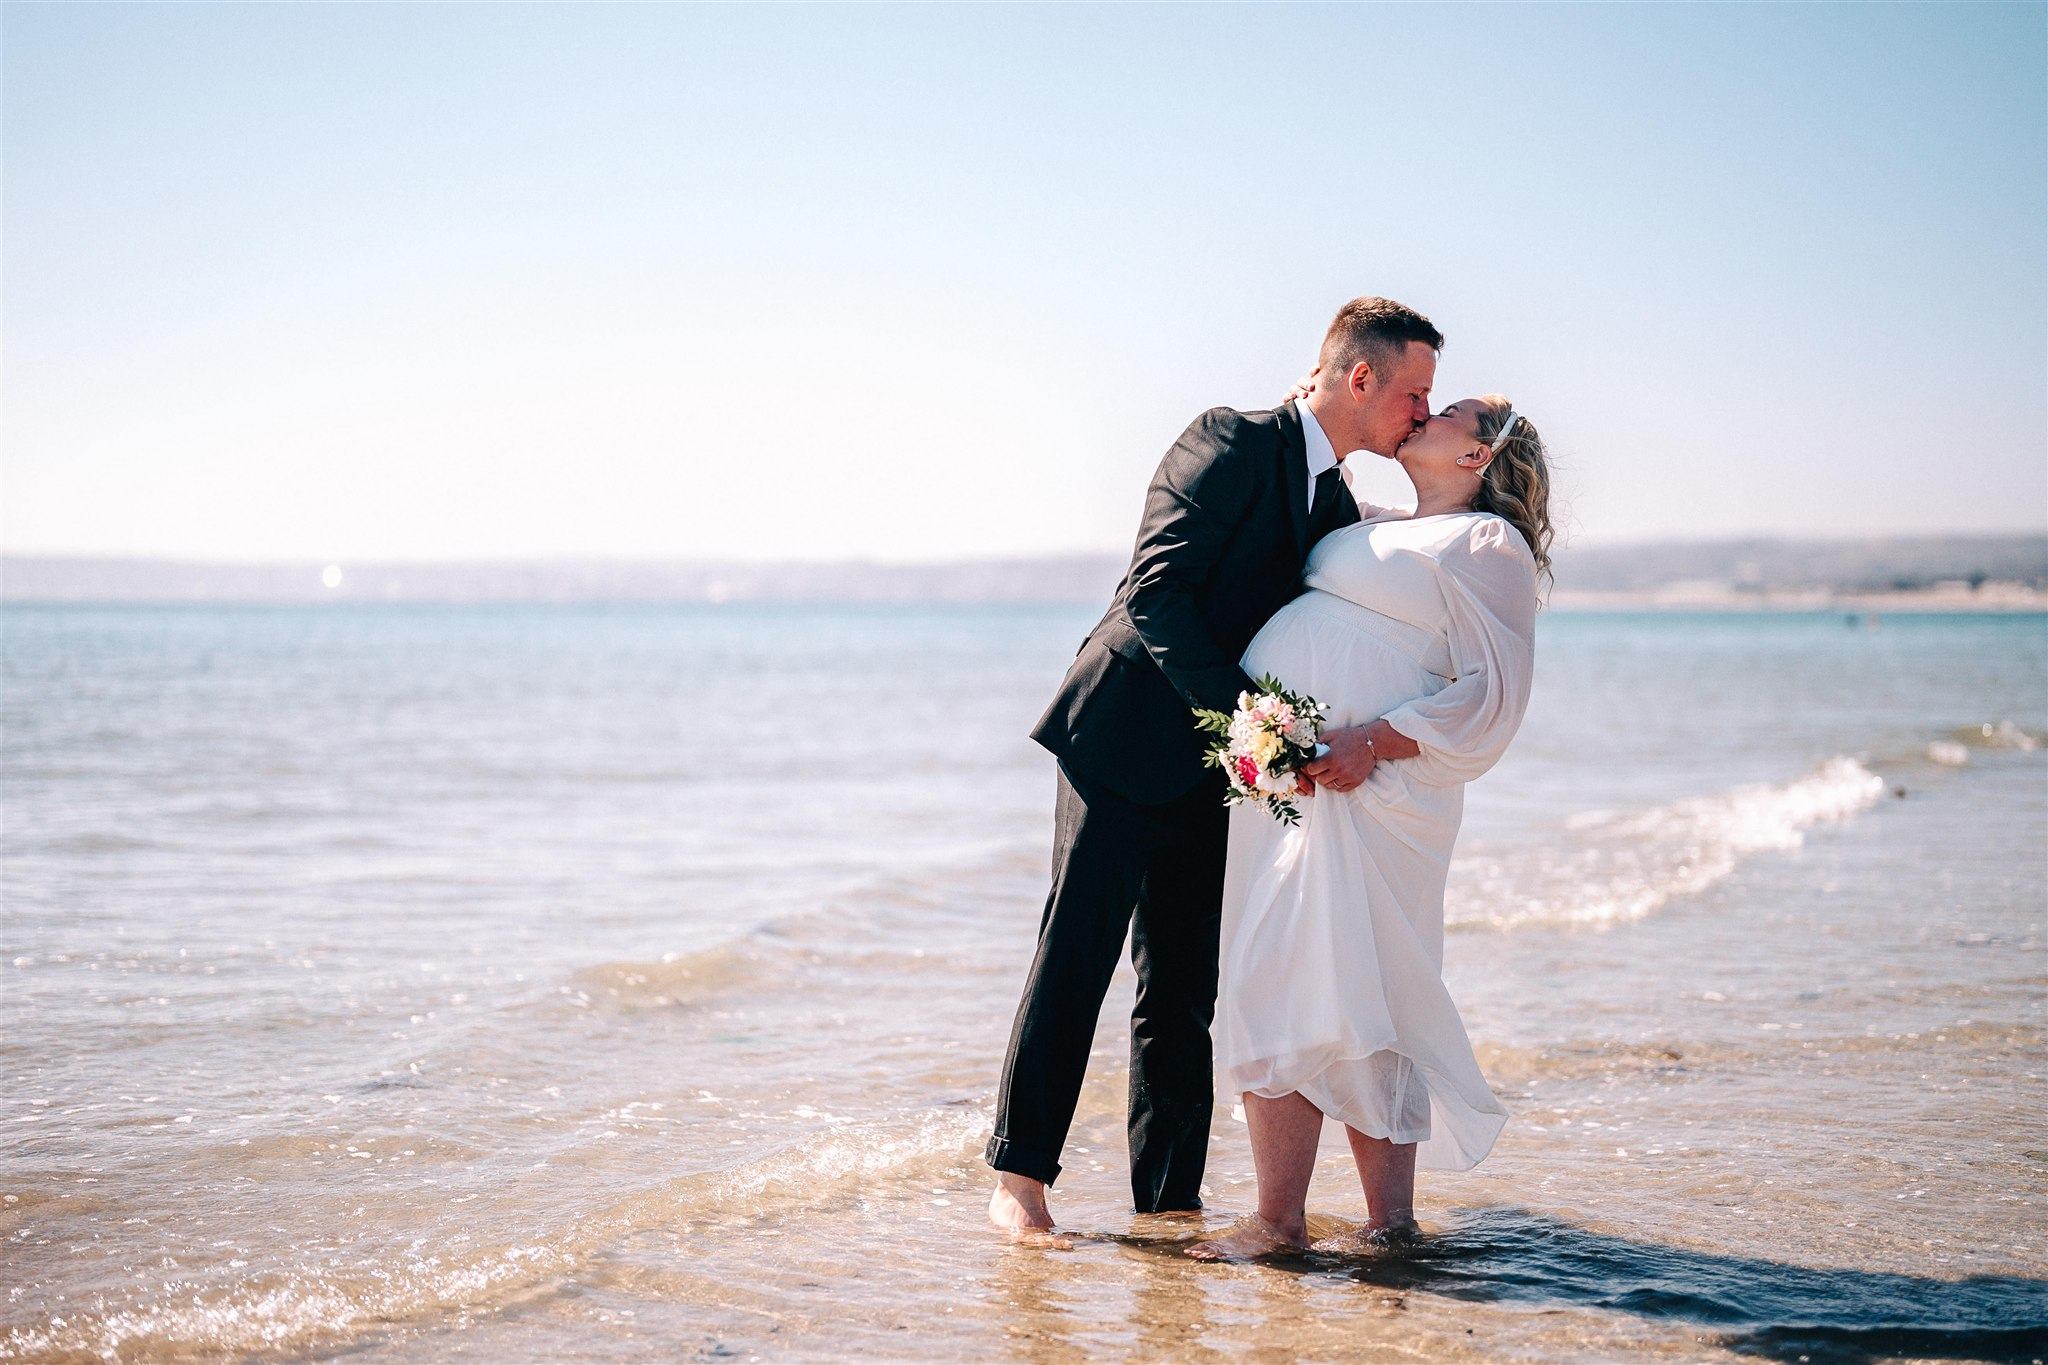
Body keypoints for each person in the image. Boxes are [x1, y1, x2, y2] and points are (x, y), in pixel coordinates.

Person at [985, 297, 1444, 1234]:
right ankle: (1019, 1183)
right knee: (1076, 954)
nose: (1421, 416)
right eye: (1415, 393)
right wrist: (1261, 728)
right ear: (1361, 378)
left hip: (1213, 764)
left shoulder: (1333, 502)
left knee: (1184, 989)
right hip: (1118, 732)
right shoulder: (1230, 439)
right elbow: (1156, 592)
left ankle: (1170, 1202)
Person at [1186, 392, 1553, 1260]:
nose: (1426, 410)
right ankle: (1296, 1217)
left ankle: (1367, 1223)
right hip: (1293, 785)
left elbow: (1493, 693)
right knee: (1286, 970)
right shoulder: (1372, 518)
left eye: (1450, 410)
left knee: (1369, 983)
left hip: (1378, 787)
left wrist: (1371, 740)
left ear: (1478, 456)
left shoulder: (1487, 545)